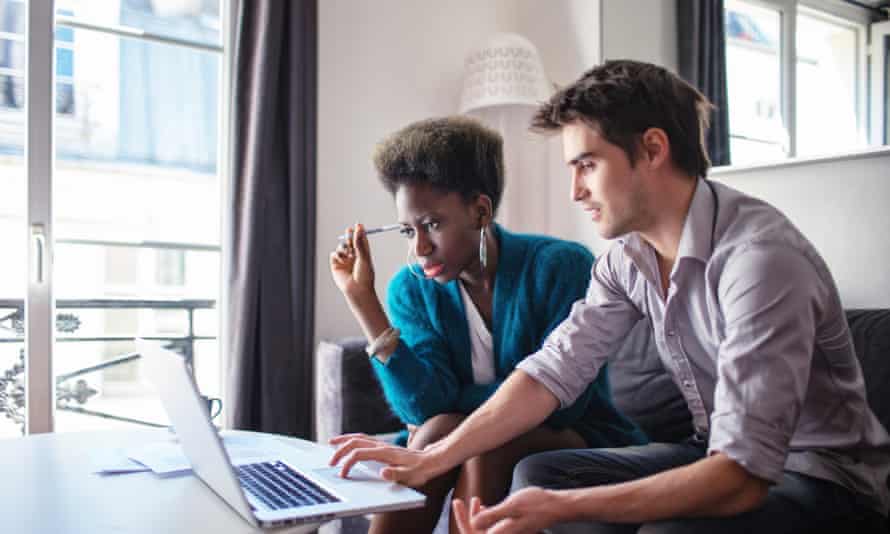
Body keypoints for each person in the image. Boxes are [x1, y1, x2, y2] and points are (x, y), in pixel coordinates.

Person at [330, 61, 890, 534]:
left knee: (665, 528)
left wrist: (564, 508)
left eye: (587, 166)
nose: (576, 191)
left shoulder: (759, 262)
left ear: (651, 149)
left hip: (818, 478)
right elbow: (551, 372)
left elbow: (742, 474)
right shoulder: (629, 260)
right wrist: (432, 456)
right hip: (707, 448)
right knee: (539, 473)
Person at [328, 116, 646, 534]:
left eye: (433, 225)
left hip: (577, 433)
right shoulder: (411, 288)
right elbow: (424, 409)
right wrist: (364, 302)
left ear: (480, 211)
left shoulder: (560, 266)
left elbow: (566, 404)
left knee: (483, 445)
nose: (419, 247)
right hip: (458, 432)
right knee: (438, 429)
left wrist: (455, 404)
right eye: (408, 230)